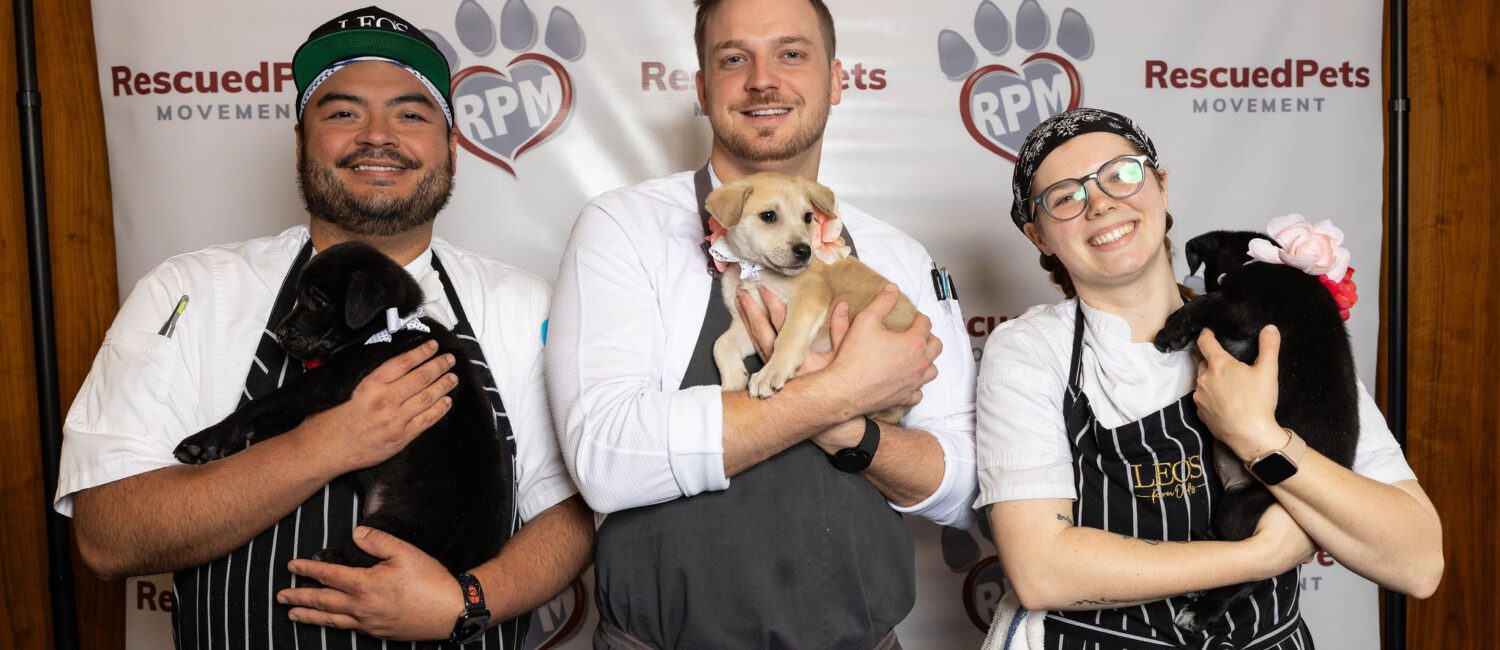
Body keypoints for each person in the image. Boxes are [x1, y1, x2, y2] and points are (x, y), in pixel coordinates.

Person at [54, 7, 592, 648]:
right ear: (302, 141)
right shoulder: (192, 292)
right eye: (341, 113)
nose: (376, 135)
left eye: (411, 113)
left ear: (451, 146)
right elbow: (107, 534)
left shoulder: (521, 304)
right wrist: (327, 443)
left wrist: (465, 603)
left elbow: (568, 515)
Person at [544, 0, 978, 647]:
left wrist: (849, 429)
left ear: (836, 78)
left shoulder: (897, 255)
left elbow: (961, 483)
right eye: (733, 58)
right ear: (701, 87)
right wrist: (837, 391)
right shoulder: (624, 227)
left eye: (791, 53)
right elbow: (606, 458)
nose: (762, 79)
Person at [977, 107, 1443, 648]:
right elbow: (1042, 572)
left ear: (1162, 186)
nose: (1101, 202)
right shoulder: (1032, 352)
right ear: (1039, 237)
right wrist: (1255, 557)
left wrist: (1261, 441)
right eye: (1065, 196)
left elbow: (1418, 562)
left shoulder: (1280, 328)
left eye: (1122, 174)